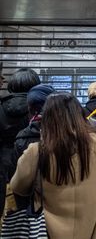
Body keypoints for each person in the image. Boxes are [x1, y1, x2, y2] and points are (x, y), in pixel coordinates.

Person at [10, 92, 96, 238]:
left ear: (47, 119)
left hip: (46, 231)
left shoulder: (37, 151)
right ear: (80, 115)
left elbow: (18, 187)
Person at [7, 84, 56, 213]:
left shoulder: (23, 137)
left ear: (30, 108)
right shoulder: (66, 133)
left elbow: (17, 181)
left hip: (33, 206)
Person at [0, 68, 40, 217]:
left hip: (4, 163)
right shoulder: (38, 107)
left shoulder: (1, 107)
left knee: (8, 207)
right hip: (33, 159)